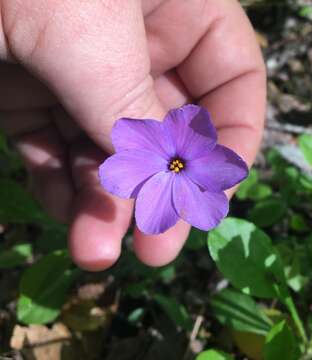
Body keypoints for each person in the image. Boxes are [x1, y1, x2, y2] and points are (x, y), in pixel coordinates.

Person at [0, 0, 266, 271]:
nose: (176, 166)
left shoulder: (204, 170)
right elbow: (127, 127)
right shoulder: (170, 129)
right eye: (175, 165)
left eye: (177, 166)